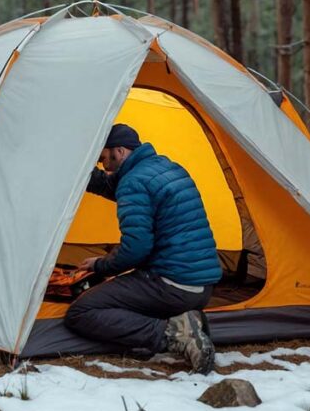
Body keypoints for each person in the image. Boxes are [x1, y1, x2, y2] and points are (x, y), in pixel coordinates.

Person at [64, 123, 222, 374]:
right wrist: (76, 165)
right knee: (120, 290)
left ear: (120, 151)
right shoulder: (166, 167)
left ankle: (175, 333)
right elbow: (110, 184)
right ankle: (188, 321)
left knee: (82, 311)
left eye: (104, 158)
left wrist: (101, 266)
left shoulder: (133, 182)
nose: (103, 164)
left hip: (173, 285)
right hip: (201, 287)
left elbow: (136, 249)